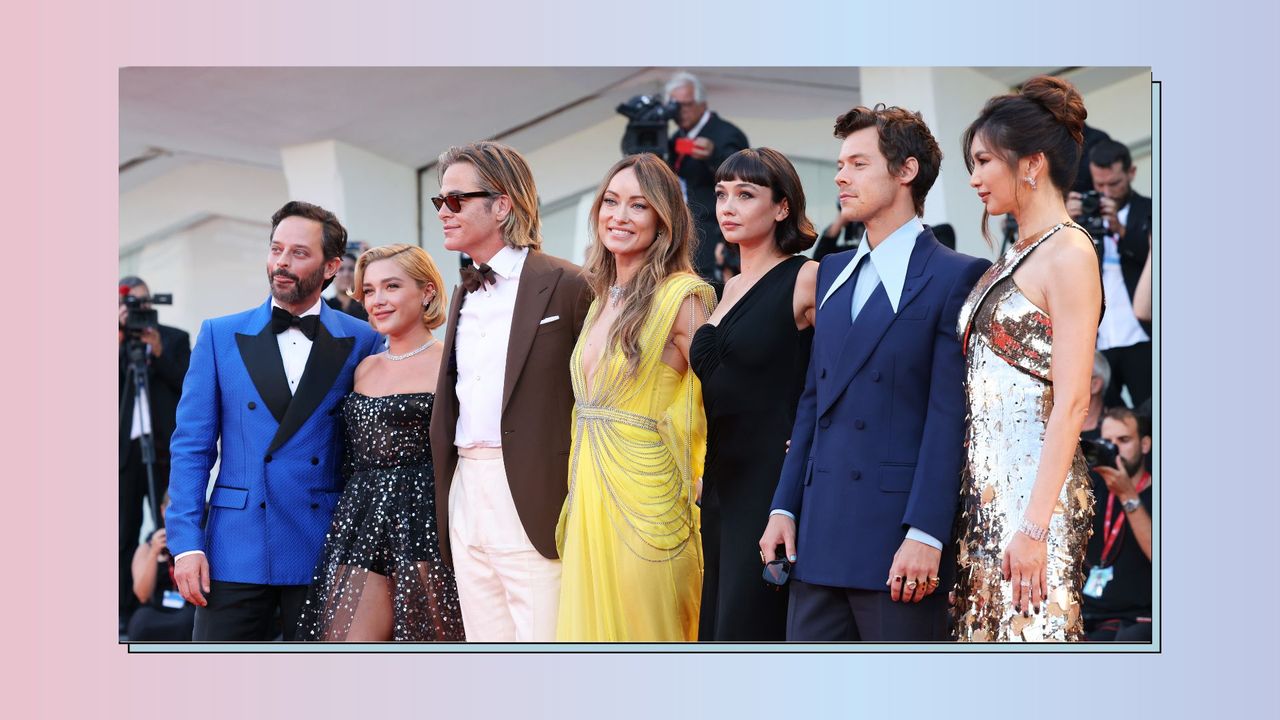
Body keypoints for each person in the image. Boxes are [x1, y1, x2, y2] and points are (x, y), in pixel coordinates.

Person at [758, 105, 989, 641]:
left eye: (858, 164)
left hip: (897, 547)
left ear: (906, 171)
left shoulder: (958, 274)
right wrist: (784, 505)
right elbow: (813, 401)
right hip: (816, 537)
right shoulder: (831, 272)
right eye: (841, 164)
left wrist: (928, 533)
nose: (841, 176)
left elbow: (947, 415)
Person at [167, 201, 382, 641]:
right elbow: (192, 447)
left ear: (331, 267)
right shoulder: (219, 335)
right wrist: (186, 543)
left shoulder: (363, 340)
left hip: (322, 542)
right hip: (233, 550)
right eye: (276, 249)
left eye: (299, 253)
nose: (281, 263)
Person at [953, 76, 1104, 642]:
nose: (974, 178)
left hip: (1034, 506)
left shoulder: (1069, 251)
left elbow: (1070, 401)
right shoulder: (1016, 253)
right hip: (986, 500)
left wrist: (1036, 529)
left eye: (985, 160)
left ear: (1032, 163)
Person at [427, 142, 592, 642]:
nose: (443, 212)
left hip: (533, 490)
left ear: (502, 205)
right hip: (465, 492)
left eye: (456, 200)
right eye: (439, 202)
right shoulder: (463, 291)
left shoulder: (568, 283)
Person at [556, 153, 717, 641]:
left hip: (649, 505)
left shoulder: (684, 296)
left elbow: (724, 398)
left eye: (638, 206)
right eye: (611, 201)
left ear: (664, 220)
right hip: (589, 497)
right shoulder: (602, 298)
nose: (619, 216)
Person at [297, 244, 465, 641]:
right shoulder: (364, 368)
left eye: (391, 286)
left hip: (425, 523)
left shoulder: (452, 363)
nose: (378, 300)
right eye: (369, 290)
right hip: (361, 523)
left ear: (427, 291)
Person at [690, 148, 818, 641]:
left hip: (772, 480)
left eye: (746, 194)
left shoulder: (806, 277)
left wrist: (811, 450)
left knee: (751, 628)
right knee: (720, 627)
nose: (728, 206)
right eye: (722, 194)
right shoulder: (723, 289)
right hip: (719, 484)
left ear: (782, 207)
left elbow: (835, 377)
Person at [118, 276, 190, 631]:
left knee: (171, 524)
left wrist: (159, 351)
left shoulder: (174, 338)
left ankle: (177, 594)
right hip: (125, 453)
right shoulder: (116, 340)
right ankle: (125, 608)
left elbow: (188, 386)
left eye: (145, 302)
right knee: (123, 530)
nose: (140, 310)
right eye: (133, 304)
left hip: (163, 449)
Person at [1069, 139, 1152, 408]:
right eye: (1099, 185)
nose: (1106, 192)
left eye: (1114, 184)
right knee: (1108, 420)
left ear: (1131, 173)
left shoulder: (1149, 211)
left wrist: (1122, 232)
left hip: (1142, 335)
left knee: (1150, 414)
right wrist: (1065, 222)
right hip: (1101, 337)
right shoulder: (1085, 219)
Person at [664, 71, 750, 283]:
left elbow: (743, 181)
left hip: (714, 236)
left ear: (703, 104)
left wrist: (713, 156)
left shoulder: (725, 134)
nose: (680, 111)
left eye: (687, 104)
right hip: (686, 235)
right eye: (675, 106)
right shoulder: (677, 137)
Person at [1082, 407, 1153, 641]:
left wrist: (1127, 495)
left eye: (1123, 440)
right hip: (1085, 613)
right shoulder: (1092, 487)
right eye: (1106, 441)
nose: (1113, 449)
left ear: (1145, 445)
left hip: (1134, 620)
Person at [126, 493, 197, 641]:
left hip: (186, 609)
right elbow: (142, 595)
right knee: (141, 622)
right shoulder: (147, 547)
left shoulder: (196, 545)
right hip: (154, 609)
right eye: (172, 509)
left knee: (190, 622)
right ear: (163, 510)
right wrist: (154, 553)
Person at [326, 252, 370, 321]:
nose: (346, 274)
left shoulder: (368, 307)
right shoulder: (324, 307)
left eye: (351, 269)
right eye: (341, 269)